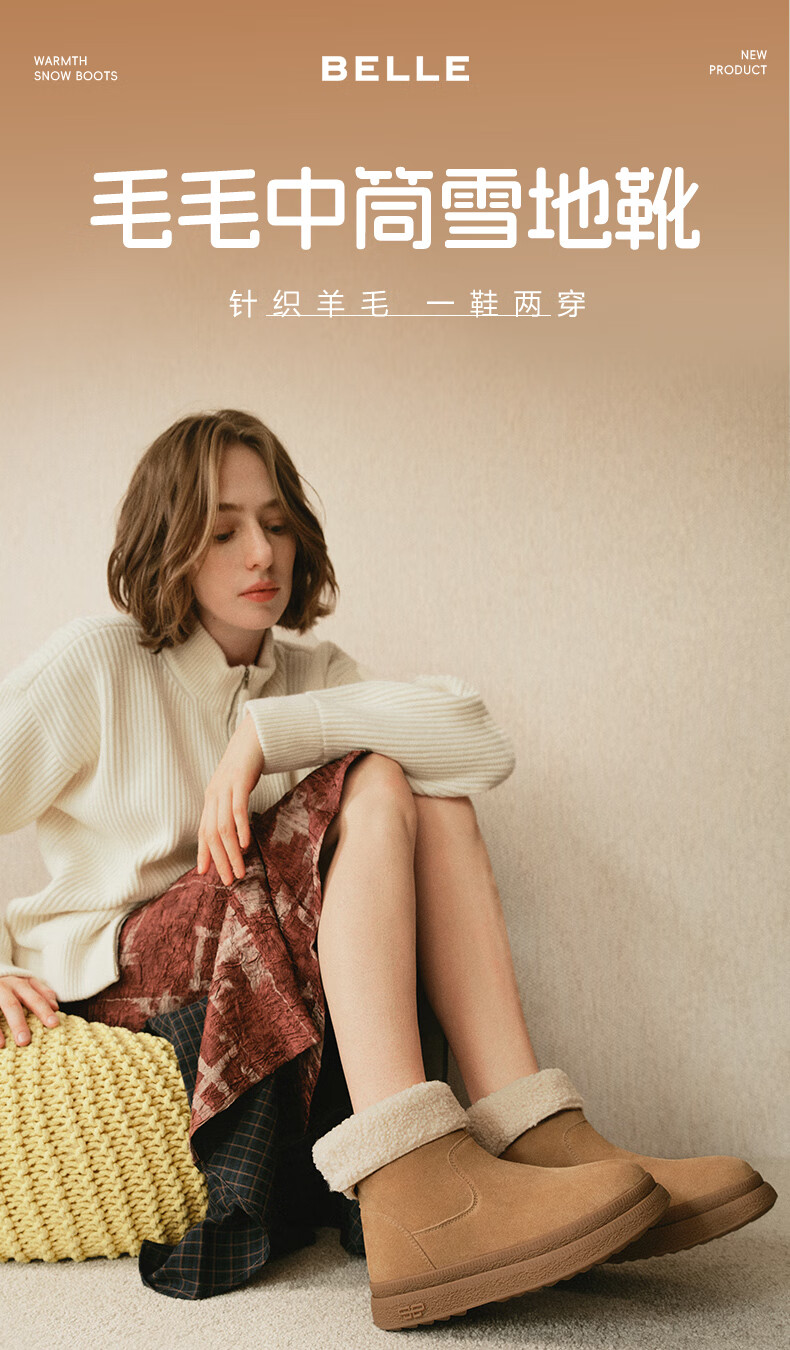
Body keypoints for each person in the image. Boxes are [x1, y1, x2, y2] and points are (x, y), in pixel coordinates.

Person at [0, 410, 776, 1326]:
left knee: (425, 787)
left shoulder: (310, 673)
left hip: (255, 945)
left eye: (277, 523)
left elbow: (477, 745)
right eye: (223, 530)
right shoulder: (98, 662)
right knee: (374, 772)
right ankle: (412, 1178)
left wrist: (267, 733)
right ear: (169, 541)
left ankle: (536, 1133)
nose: (262, 552)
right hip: (129, 971)